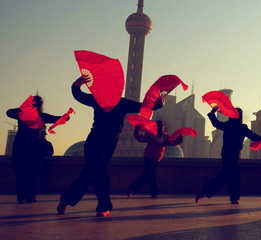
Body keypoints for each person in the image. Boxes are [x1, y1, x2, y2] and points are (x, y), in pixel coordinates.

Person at [57, 75, 164, 217]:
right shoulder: (99, 99)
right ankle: (103, 205)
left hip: (109, 145)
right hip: (94, 142)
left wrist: (158, 104)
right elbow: (80, 96)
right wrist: (76, 85)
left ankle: (66, 198)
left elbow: (142, 106)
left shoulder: (122, 103)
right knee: (101, 172)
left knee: (89, 174)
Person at [195, 106, 261, 204]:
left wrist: (212, 113)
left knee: (229, 175)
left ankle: (208, 192)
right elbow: (253, 136)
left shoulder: (229, 125)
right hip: (234, 155)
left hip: (227, 154)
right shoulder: (242, 127)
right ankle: (209, 192)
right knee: (231, 176)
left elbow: (216, 123)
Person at [7, 95, 63, 203]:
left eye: (41, 102)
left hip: (27, 146)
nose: (40, 104)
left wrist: (64, 117)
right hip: (26, 146)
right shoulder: (26, 114)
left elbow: (8, 113)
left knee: (30, 171)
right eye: (38, 102)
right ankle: (26, 196)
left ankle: (26, 196)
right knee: (26, 171)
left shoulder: (34, 115)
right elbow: (9, 112)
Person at [127, 121, 183, 198]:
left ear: (163, 127)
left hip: (156, 158)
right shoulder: (150, 134)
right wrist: (136, 131)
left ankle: (153, 191)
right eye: (159, 126)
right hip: (148, 156)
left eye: (161, 126)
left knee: (150, 174)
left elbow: (172, 142)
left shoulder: (166, 137)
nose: (160, 128)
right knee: (148, 174)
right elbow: (141, 138)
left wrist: (180, 139)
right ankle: (133, 188)